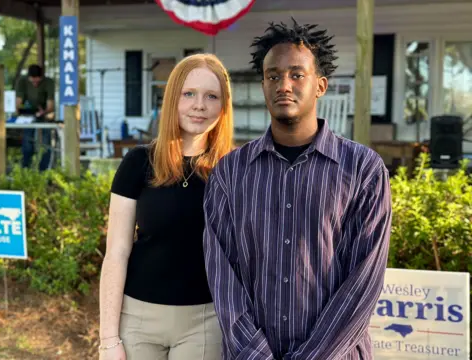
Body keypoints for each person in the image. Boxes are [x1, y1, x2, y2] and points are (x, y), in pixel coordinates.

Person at [203, 19, 392, 360]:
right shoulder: (230, 173)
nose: (283, 85)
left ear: (320, 85)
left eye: (296, 74)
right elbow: (223, 278)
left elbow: (363, 282)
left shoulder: (363, 170)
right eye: (273, 76)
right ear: (263, 85)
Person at [99, 53, 234, 360]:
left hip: (204, 322)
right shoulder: (138, 163)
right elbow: (117, 252)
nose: (199, 105)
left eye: (211, 96)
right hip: (137, 319)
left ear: (223, 106)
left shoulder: (233, 170)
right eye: (189, 94)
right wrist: (107, 338)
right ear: (173, 98)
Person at [15, 64, 55, 170]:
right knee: (28, 141)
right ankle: (26, 169)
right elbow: (18, 102)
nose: (35, 84)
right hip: (28, 114)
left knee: (46, 142)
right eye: (33, 81)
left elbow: (50, 105)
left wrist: (44, 111)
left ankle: (44, 170)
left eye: (37, 81)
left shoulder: (48, 82)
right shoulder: (22, 81)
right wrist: (19, 110)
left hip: (44, 113)